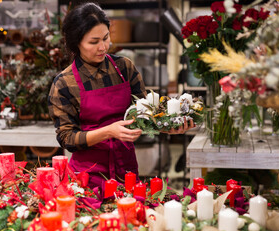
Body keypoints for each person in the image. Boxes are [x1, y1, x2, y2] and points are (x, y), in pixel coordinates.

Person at [48, 2, 194, 195]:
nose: (102, 47)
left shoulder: (124, 68)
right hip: (86, 179)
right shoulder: (64, 84)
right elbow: (67, 139)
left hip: (127, 172)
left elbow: (145, 114)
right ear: (76, 43)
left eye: (106, 38)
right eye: (93, 42)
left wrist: (169, 126)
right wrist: (109, 131)